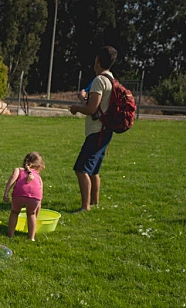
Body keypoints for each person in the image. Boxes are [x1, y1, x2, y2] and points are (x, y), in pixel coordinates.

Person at [69, 46, 118, 211]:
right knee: (94, 170)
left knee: (81, 169)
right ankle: (95, 202)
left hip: (96, 131)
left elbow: (92, 109)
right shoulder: (111, 79)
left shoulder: (99, 80)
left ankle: (85, 207)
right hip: (106, 131)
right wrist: (85, 101)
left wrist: (78, 105)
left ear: (97, 60)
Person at [3, 152, 45, 241]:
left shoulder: (18, 170)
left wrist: (6, 192)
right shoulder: (37, 175)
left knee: (14, 212)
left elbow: (12, 178)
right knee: (31, 214)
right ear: (39, 166)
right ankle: (31, 238)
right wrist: (38, 204)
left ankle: (10, 235)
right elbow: (40, 190)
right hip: (35, 196)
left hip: (19, 194)